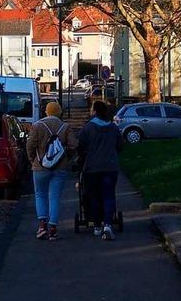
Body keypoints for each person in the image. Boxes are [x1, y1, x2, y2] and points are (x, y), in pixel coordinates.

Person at [27, 101, 76, 241]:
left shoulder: (38, 126)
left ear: (46, 112)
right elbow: (73, 145)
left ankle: (42, 226)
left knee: (40, 195)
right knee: (54, 197)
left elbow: (30, 146)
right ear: (59, 112)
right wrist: (67, 157)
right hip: (60, 167)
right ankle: (53, 228)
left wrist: (32, 160)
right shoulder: (65, 127)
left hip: (40, 167)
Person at [78, 100, 123, 240]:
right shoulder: (113, 128)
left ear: (95, 111)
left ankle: (97, 225)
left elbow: (81, 148)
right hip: (110, 167)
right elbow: (120, 146)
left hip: (92, 168)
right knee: (109, 195)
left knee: (94, 196)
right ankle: (108, 224)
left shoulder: (88, 128)